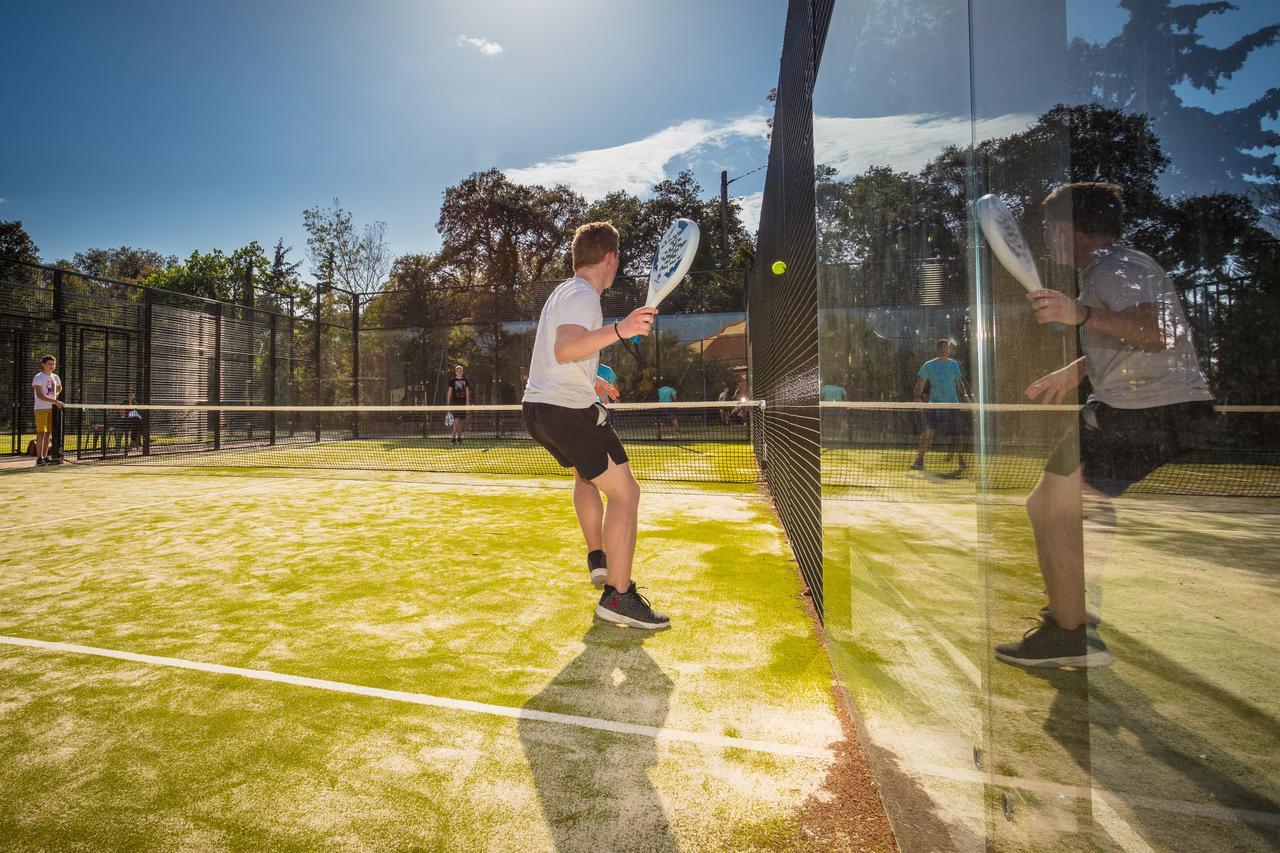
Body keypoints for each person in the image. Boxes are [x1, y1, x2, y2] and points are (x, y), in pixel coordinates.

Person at [995, 182, 1213, 669]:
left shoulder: (1118, 267)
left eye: (1051, 229)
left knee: (1053, 510)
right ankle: (1074, 613)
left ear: (1068, 229)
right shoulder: (1114, 267)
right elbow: (1129, 337)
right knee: (1057, 506)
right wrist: (1074, 370)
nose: (1048, 239)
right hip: (1137, 408)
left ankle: (1069, 635)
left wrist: (1081, 313)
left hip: (1148, 412)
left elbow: (1163, 332)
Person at [521, 221, 667, 629]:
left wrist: (593, 379)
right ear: (609, 258)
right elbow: (566, 348)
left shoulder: (564, 292)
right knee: (625, 493)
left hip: (539, 409)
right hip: (566, 412)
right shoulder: (583, 295)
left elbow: (560, 355)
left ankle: (598, 558)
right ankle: (619, 597)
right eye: (617, 258)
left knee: (587, 480)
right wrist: (620, 329)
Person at [910, 339, 969, 472]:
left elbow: (959, 383)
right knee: (928, 433)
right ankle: (919, 460)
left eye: (945, 347)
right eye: (940, 347)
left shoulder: (954, 365)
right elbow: (920, 383)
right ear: (936, 349)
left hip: (953, 405)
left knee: (958, 435)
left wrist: (966, 397)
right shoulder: (928, 365)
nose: (943, 349)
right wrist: (917, 397)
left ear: (948, 350)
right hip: (934, 405)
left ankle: (961, 460)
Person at [32, 355, 63, 466]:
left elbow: (59, 387)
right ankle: (39, 458)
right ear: (43, 364)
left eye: (53, 364)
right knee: (41, 432)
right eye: (49, 364)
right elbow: (39, 395)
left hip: (52, 409)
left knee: (48, 433)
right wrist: (55, 401)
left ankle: (45, 457)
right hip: (41, 408)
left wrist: (55, 395)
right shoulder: (38, 377)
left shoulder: (55, 377)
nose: (52, 366)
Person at [446, 364, 471, 445]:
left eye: (461, 371)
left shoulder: (466, 381)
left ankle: (459, 437)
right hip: (455, 403)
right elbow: (449, 392)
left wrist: (467, 402)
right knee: (456, 420)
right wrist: (448, 403)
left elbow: (467, 392)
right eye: (458, 371)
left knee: (462, 421)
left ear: (462, 372)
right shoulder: (452, 381)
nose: (459, 372)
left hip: (463, 404)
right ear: (455, 372)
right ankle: (453, 438)